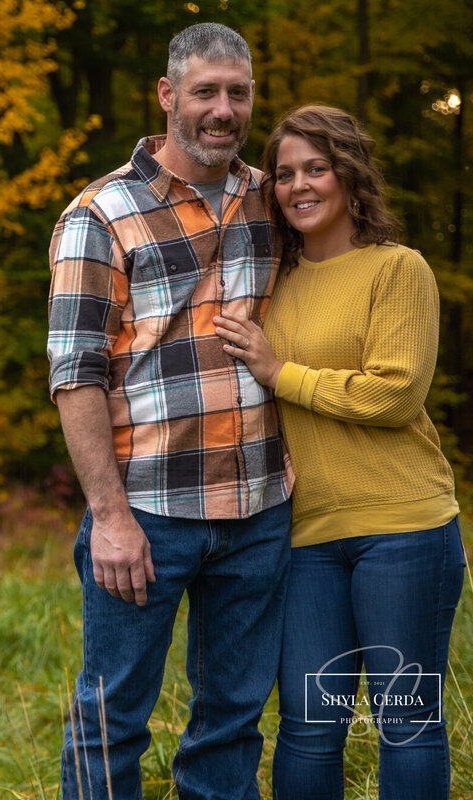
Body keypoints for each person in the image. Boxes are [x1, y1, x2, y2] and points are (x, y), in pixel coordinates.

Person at [47, 23, 294, 799]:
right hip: (147, 513)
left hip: (259, 507)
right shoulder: (101, 213)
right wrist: (109, 515)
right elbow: (76, 373)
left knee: (233, 716)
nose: (224, 109)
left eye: (239, 93)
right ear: (167, 96)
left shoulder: (270, 197)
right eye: (206, 92)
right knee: (113, 713)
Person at [214, 104, 464, 799]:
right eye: (286, 173)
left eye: (315, 168)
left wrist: (280, 373)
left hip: (404, 530)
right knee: (307, 724)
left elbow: (395, 395)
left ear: (349, 176)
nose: (298, 184)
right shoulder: (275, 286)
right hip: (306, 538)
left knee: (405, 721)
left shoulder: (398, 269)